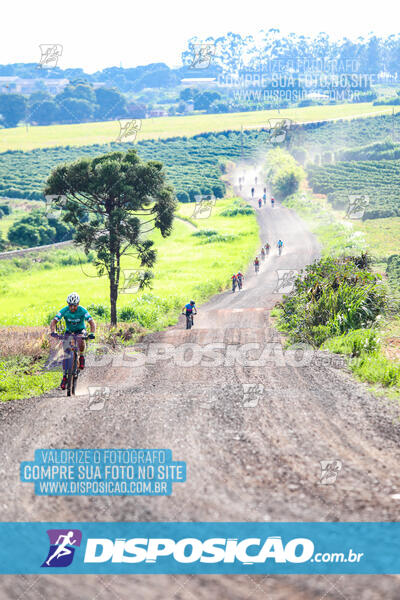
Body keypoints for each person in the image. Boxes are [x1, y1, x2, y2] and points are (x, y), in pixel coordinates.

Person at [50, 292, 96, 390]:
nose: (72, 308)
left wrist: (92, 333)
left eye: (74, 305)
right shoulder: (64, 310)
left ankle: (82, 355)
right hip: (69, 331)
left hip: (80, 331)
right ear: (68, 305)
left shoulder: (82, 310)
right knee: (66, 353)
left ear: (78, 304)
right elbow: (54, 321)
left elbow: (92, 322)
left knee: (80, 340)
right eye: (70, 305)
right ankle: (64, 376)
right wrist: (53, 331)